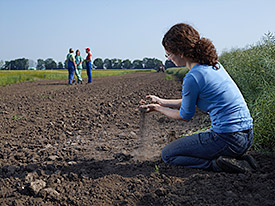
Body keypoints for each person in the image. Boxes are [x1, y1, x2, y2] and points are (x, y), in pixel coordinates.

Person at [139, 23, 257, 173]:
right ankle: (237, 159)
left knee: (168, 154)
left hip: (227, 139)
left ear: (180, 52)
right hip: (246, 137)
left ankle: (217, 165)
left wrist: (157, 108)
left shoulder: (193, 77)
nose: (169, 59)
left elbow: (185, 115)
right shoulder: (215, 65)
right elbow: (190, 102)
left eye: (168, 54)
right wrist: (161, 101)